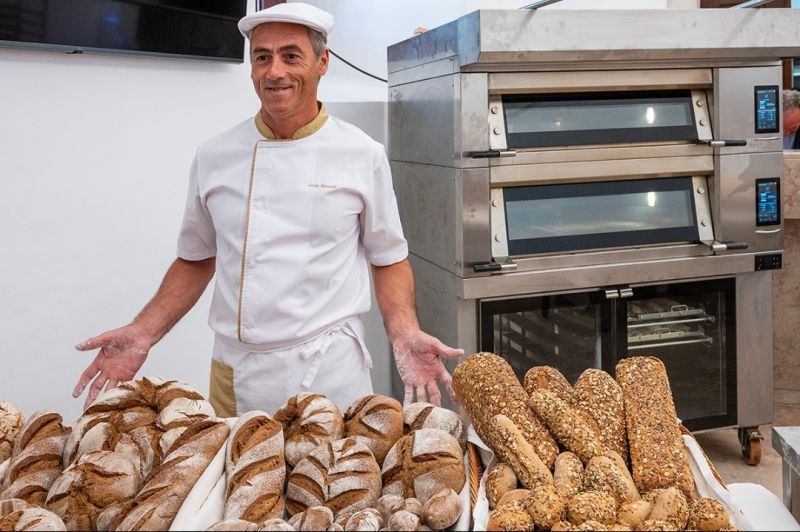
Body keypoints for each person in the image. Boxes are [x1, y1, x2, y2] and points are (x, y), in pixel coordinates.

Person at [71, 3, 463, 415]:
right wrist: (142, 332)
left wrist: (404, 332)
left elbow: (388, 257)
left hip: (330, 369)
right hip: (239, 373)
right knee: (238, 459)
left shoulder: (362, 154)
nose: (275, 71)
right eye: (262, 58)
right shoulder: (215, 156)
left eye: (291, 56)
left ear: (322, 62)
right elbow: (196, 258)